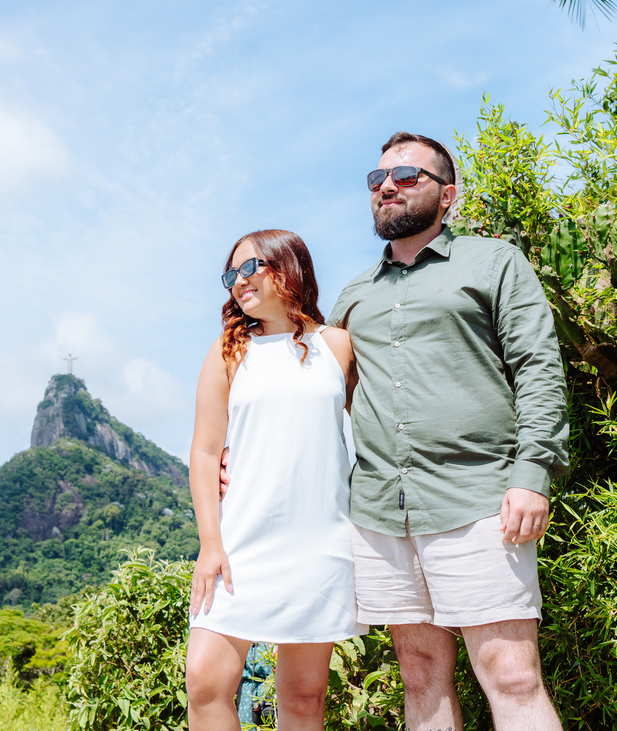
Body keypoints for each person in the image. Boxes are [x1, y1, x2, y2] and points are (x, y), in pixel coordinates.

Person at [327, 131, 570, 730]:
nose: (387, 186)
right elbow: (323, 394)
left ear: (447, 195)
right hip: (380, 512)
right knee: (418, 675)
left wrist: (532, 474)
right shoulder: (353, 296)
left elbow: (538, 368)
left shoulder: (495, 263)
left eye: (407, 176)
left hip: (481, 499)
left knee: (512, 675)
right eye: (378, 178)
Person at [185, 229, 367, 731]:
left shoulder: (337, 345)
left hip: (320, 544)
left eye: (251, 267)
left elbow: (376, 428)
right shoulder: (228, 352)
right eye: (231, 274)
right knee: (204, 682)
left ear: (289, 267)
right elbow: (204, 452)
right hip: (239, 544)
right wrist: (210, 544)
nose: (238, 281)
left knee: (304, 697)